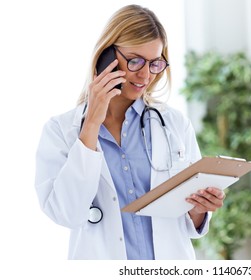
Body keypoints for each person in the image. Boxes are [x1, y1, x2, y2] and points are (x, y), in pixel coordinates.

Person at [34, 4, 225, 260]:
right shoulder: (61, 131)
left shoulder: (175, 125)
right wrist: (91, 126)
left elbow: (188, 221)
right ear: (106, 57)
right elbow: (67, 214)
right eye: (135, 60)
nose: (145, 74)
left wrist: (201, 209)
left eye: (155, 63)